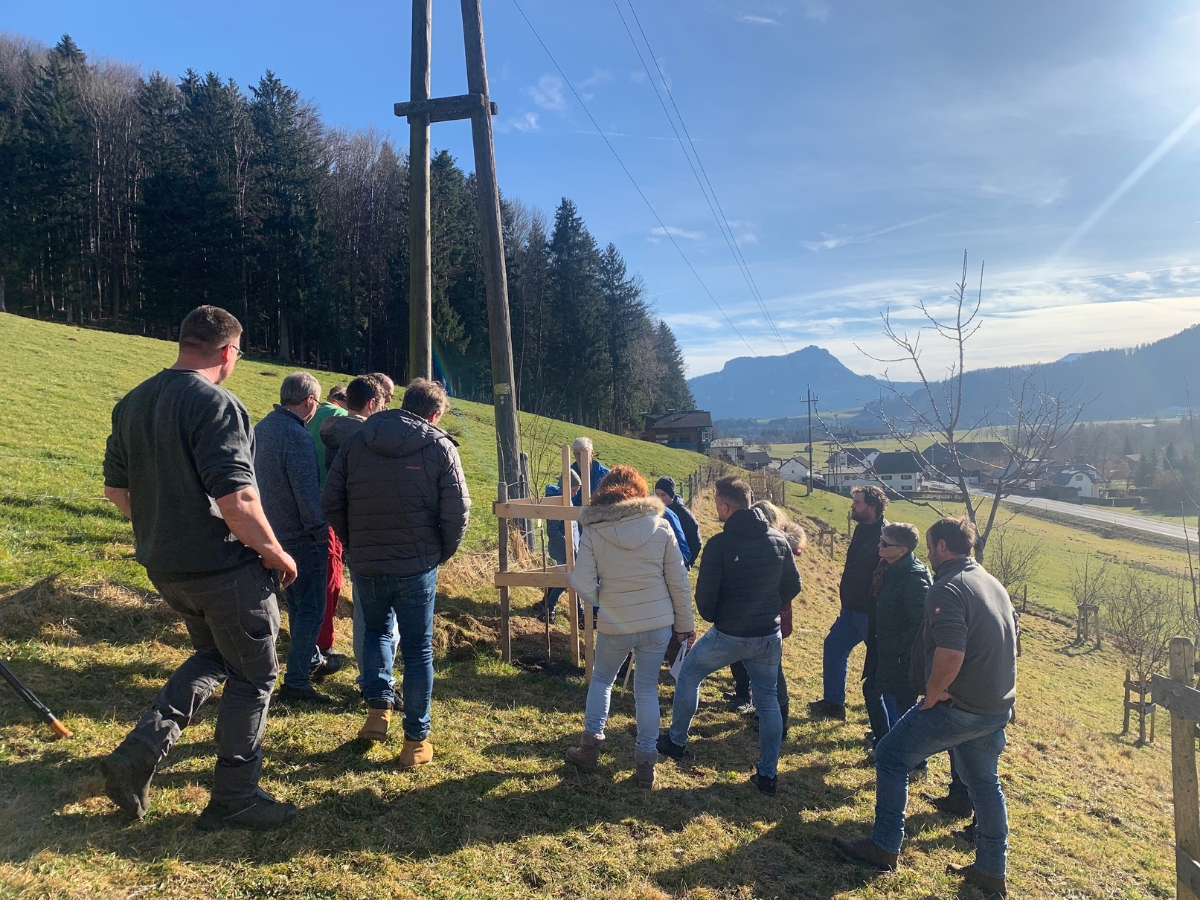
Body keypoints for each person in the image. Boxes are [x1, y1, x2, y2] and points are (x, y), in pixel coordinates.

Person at [100, 305, 298, 831]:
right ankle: (236, 796)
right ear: (229, 351)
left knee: (214, 656)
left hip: (166, 567)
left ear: (184, 341)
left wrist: (167, 525)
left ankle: (139, 752)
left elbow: (116, 491)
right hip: (225, 570)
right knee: (255, 676)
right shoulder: (216, 404)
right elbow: (237, 498)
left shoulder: (132, 402)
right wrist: (274, 552)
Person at [832, 516, 1017, 898]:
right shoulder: (990, 581)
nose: (928, 552)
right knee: (985, 784)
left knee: (891, 755)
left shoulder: (948, 587)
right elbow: (1013, 639)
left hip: (959, 705)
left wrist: (933, 693)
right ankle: (990, 871)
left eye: (931, 545)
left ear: (943, 547)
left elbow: (951, 650)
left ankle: (884, 845)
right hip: (994, 707)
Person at [322, 378, 471, 767]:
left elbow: (331, 499)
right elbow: (458, 511)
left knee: (374, 631)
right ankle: (415, 741)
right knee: (419, 648)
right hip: (416, 565)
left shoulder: (358, 439)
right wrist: (441, 551)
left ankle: (377, 711)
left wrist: (353, 543)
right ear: (435, 414)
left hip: (368, 561)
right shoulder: (439, 446)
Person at [658, 476, 801, 797]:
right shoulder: (779, 540)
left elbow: (706, 599)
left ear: (725, 506)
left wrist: (723, 616)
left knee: (689, 674)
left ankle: (676, 741)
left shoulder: (720, 544)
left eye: (716, 506)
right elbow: (793, 585)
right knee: (767, 700)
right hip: (768, 635)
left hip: (730, 633)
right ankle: (768, 775)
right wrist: (766, 605)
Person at [566, 466, 695, 788]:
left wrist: (604, 601)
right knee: (647, 690)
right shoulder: (662, 527)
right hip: (658, 622)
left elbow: (581, 581)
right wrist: (685, 626)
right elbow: (678, 582)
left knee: (602, 680)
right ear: (640, 493)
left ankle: (590, 747)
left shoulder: (594, 531)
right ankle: (645, 764)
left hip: (614, 623)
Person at [253, 372, 333, 705]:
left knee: (295, 608)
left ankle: (307, 661)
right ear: (310, 401)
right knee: (311, 608)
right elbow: (306, 495)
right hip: (300, 537)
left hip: (266, 534)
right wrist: (321, 531)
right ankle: (297, 680)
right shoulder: (296, 437)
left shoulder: (261, 428)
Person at [808, 485, 888, 724]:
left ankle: (890, 724)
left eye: (857, 502)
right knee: (833, 647)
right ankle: (833, 704)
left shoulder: (885, 535)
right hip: (850, 610)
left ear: (871, 507)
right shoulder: (862, 528)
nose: (852, 506)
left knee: (880, 667)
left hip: (870, 613)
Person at [729, 500, 806, 739]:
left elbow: (791, 584)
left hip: (772, 616)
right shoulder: (775, 543)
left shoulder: (776, 546)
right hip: (771, 613)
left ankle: (780, 721)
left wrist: (771, 603)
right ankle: (766, 713)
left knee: (774, 671)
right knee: (764, 668)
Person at [869, 523, 932, 744]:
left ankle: (914, 762)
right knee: (878, 692)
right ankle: (886, 743)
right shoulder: (888, 568)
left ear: (902, 550)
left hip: (902, 658)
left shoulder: (914, 578)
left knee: (903, 708)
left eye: (885, 543)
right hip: (886, 650)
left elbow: (919, 623)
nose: (879, 545)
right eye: (880, 540)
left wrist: (895, 646)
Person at [529, 470, 582, 623]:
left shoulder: (567, 500)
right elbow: (553, 531)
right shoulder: (556, 502)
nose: (574, 494)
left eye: (576, 491)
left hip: (571, 549)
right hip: (563, 550)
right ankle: (548, 609)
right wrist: (568, 546)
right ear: (565, 487)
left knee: (565, 578)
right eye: (573, 490)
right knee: (567, 580)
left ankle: (546, 604)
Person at [654, 477, 702, 569]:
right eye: (657, 495)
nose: (659, 499)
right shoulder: (654, 512)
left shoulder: (684, 515)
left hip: (678, 564)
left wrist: (687, 564)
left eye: (663, 495)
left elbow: (696, 543)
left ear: (671, 495)